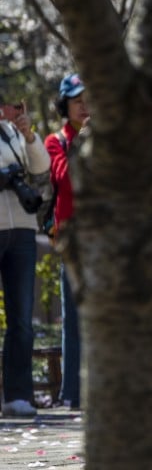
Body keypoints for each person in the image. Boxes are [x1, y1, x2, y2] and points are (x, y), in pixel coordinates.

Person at [0, 94, 49, 417]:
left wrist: (30, 136)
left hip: (23, 231)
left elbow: (41, 167)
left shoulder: (13, 132)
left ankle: (18, 395)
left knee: (22, 320)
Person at [45, 73, 89, 409]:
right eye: (77, 101)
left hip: (105, 235)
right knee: (73, 319)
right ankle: (72, 392)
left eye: (89, 100)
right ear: (65, 106)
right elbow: (64, 177)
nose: (84, 107)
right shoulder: (55, 141)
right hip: (73, 238)